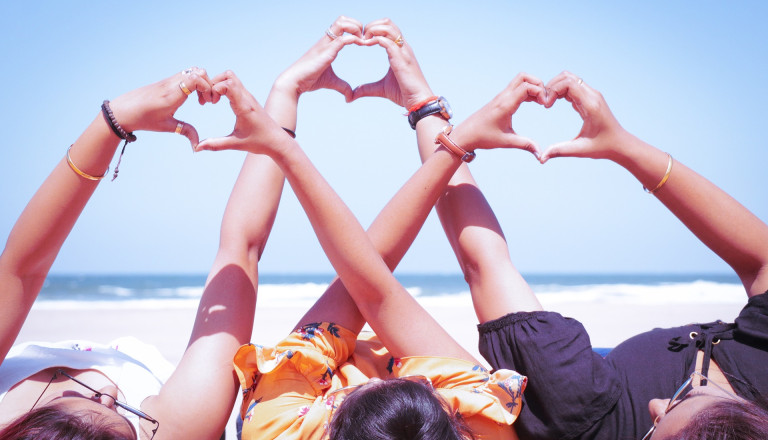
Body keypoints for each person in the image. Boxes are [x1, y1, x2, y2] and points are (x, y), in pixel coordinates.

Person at [195, 17, 547, 440]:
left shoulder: (283, 428)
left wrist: (284, 105)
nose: (385, 376)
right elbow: (372, 284)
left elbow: (364, 284)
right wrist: (429, 114)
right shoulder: (480, 419)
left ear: (331, 418)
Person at [415, 70, 768, 439]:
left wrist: (428, 112)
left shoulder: (579, 411)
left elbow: (481, 264)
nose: (656, 405)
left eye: (665, 416)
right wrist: (622, 145)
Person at [0, 67, 286, 439]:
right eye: (125, 415)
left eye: (83, 407)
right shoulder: (180, 427)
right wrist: (284, 98)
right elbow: (242, 246)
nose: (108, 393)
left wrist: (115, 121)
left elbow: (22, 269)